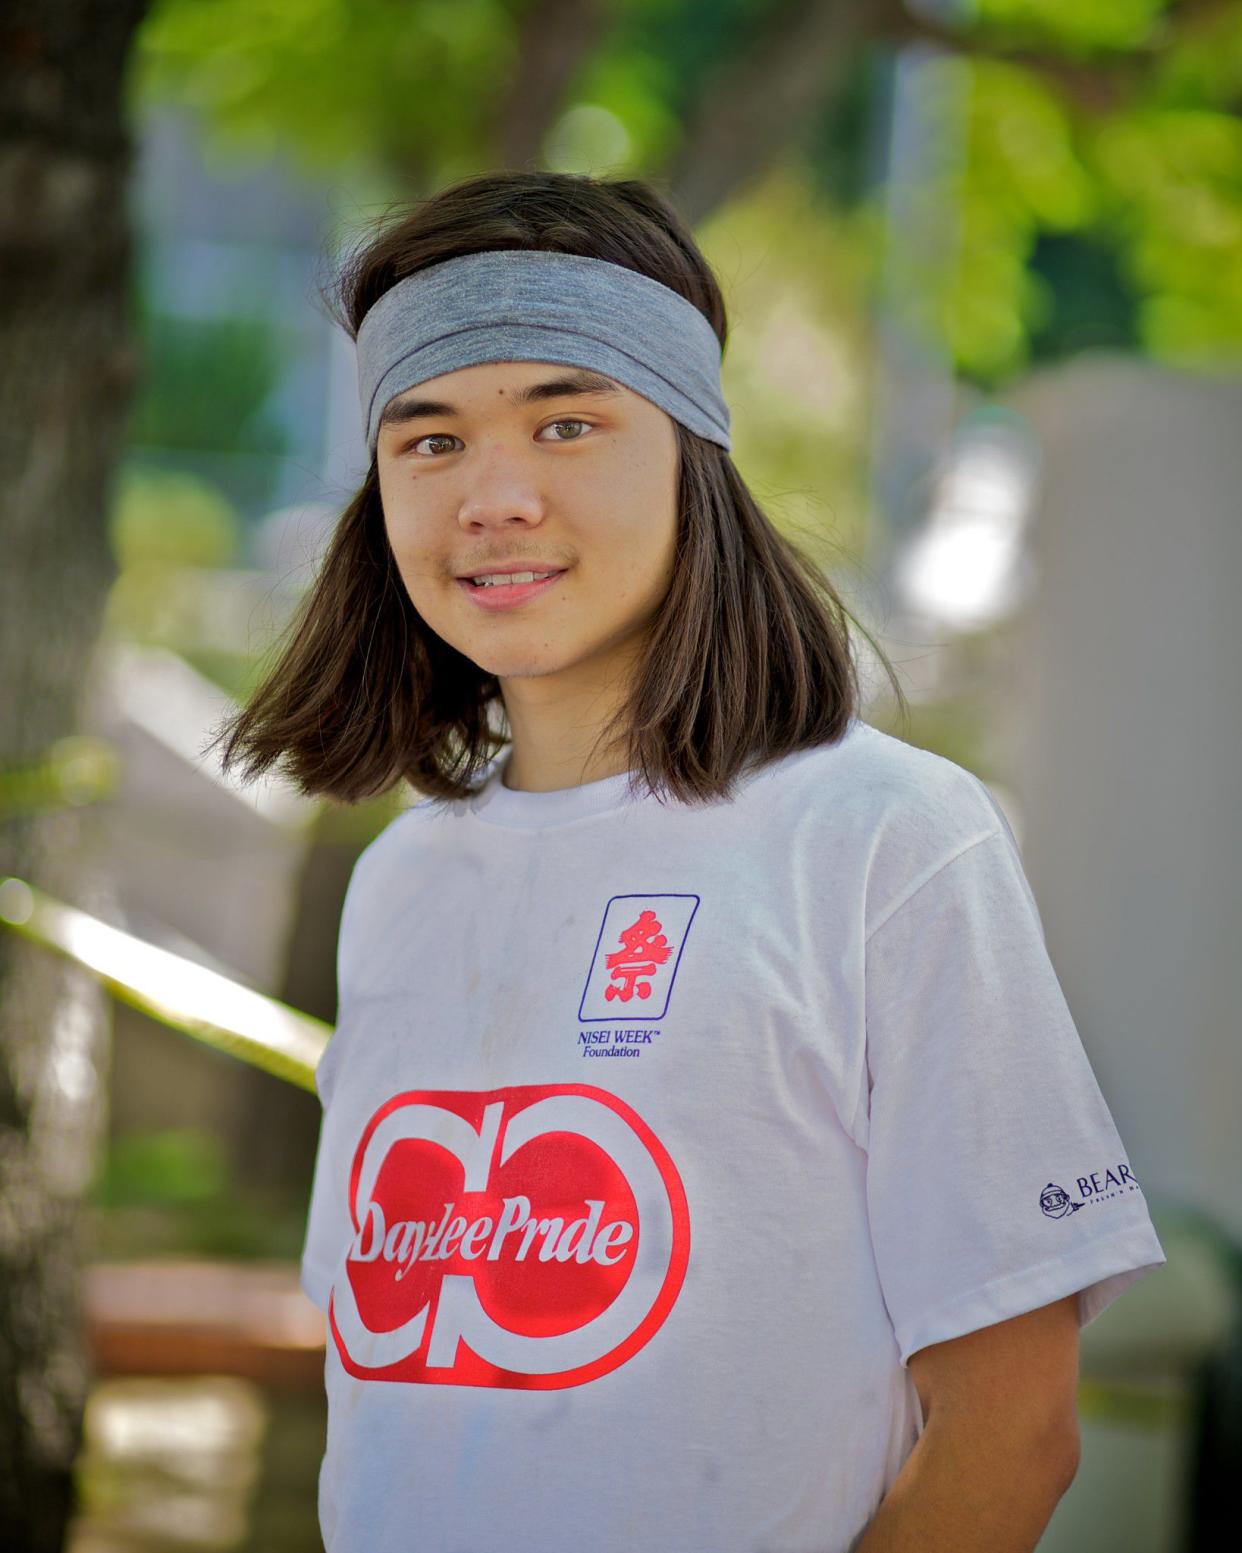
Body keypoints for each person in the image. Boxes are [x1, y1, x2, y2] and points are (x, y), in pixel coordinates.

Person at [214, 170, 1167, 1553]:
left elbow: (1011, 1430)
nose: (492, 495)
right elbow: (395, 1379)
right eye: (427, 442)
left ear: (691, 454)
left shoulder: (885, 836)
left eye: (567, 421)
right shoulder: (401, 881)